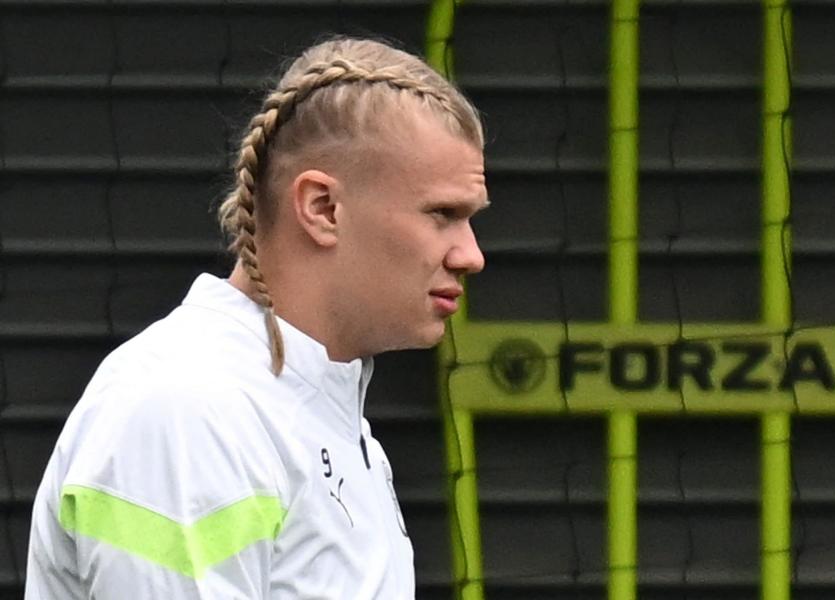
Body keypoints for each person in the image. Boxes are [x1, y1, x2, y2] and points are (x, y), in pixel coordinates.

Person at [25, 36, 488, 599]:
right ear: (322, 209)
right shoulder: (189, 407)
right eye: (442, 214)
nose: (471, 255)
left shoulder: (320, 412)